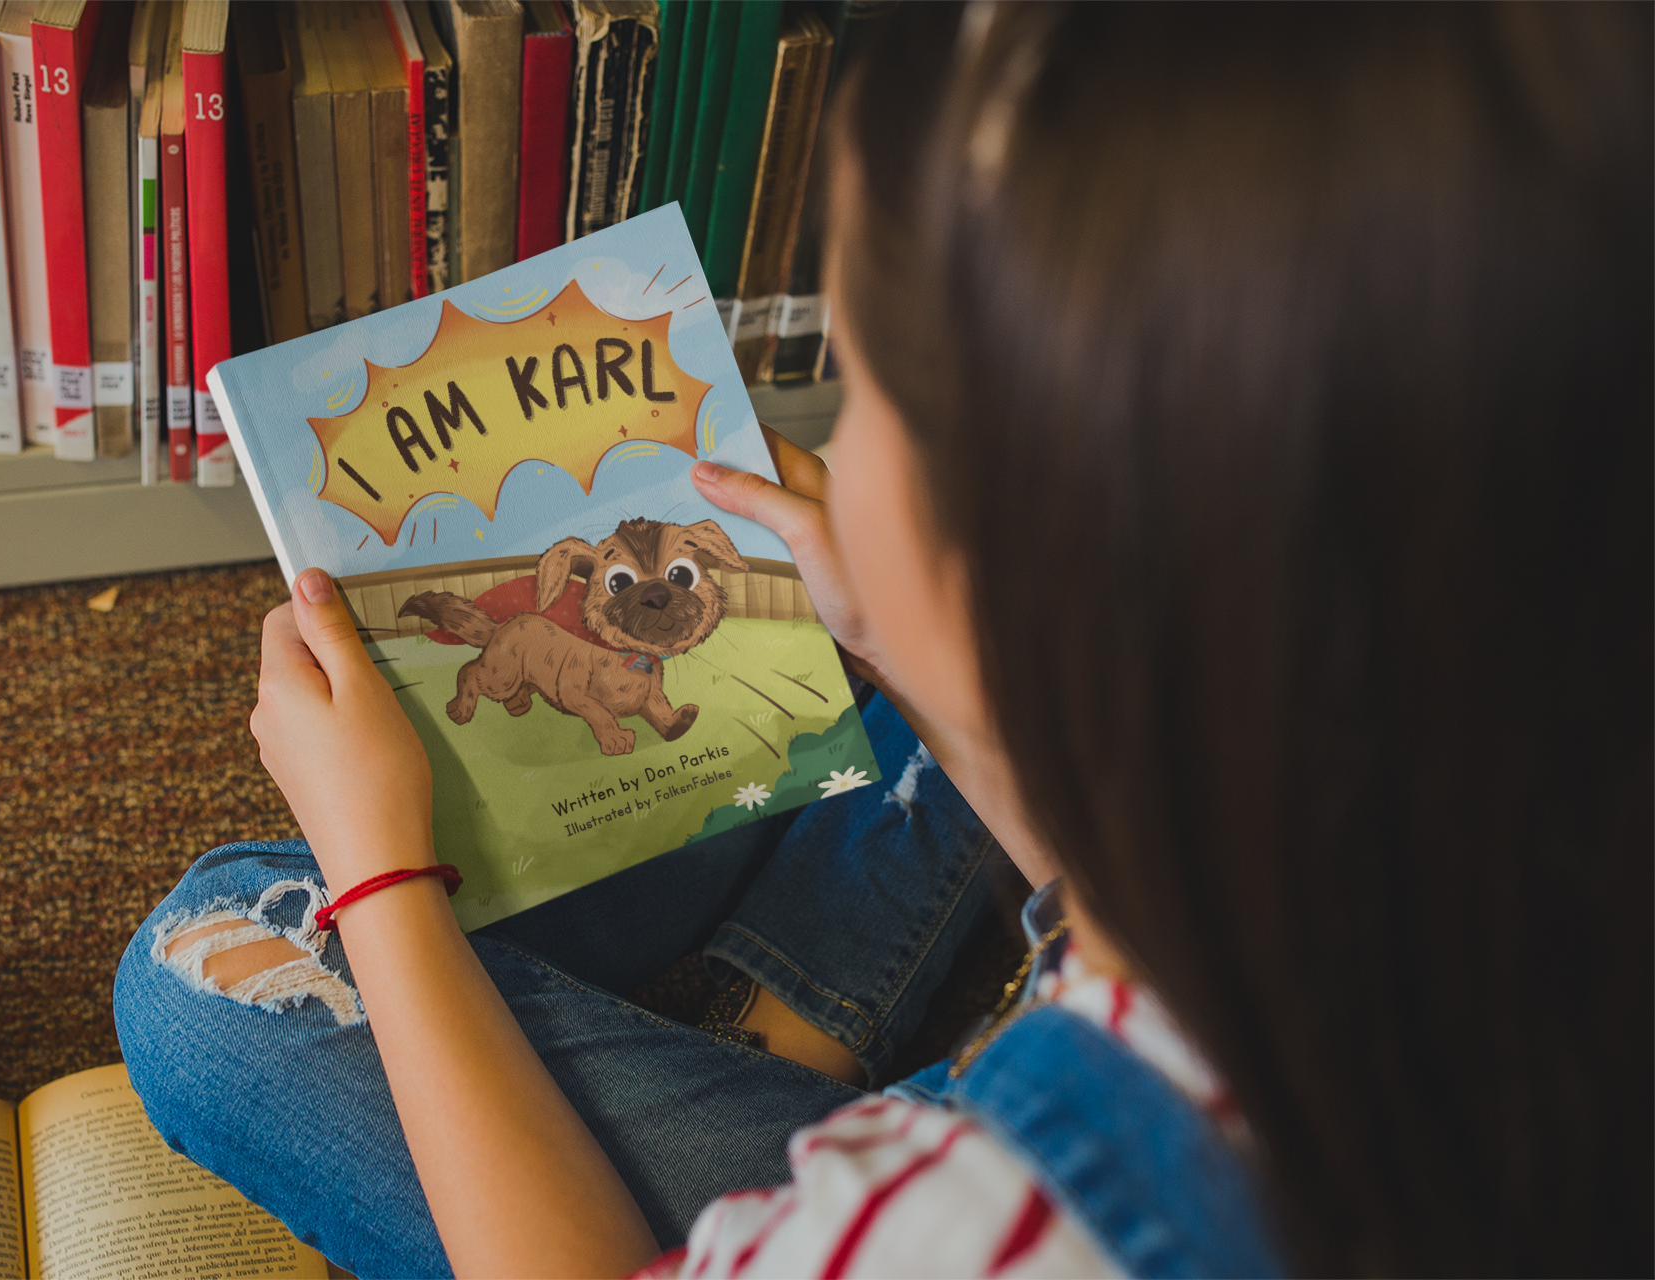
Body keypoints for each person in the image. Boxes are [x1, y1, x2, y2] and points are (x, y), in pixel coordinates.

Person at [116, 0, 1655, 1276]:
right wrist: (919, 645)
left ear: (1044, 548)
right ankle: (786, 1017)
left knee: (212, 958)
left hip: (941, 1183)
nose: (839, 440)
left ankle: (777, 1040)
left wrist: (383, 877)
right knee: (864, 719)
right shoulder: (1491, 785)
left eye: (872, 397)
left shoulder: (958, 1223)